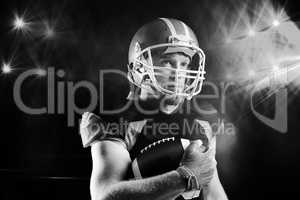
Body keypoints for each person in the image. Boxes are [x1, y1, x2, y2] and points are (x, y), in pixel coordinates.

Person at [80, 18, 228, 200]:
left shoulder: (200, 121)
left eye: (184, 64)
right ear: (139, 67)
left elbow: (213, 194)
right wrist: (183, 178)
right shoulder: (116, 119)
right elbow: (104, 195)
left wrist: (195, 174)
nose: (179, 73)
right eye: (168, 62)